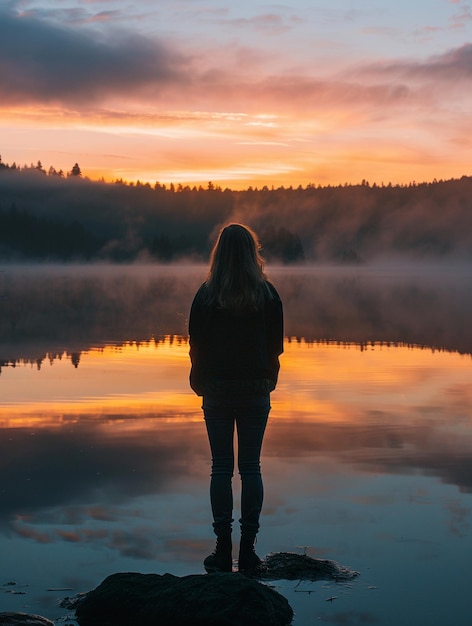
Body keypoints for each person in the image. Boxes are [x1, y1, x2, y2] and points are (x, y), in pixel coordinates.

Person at [188, 223, 284, 573]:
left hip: (216, 389)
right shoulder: (267, 295)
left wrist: (198, 380)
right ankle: (248, 550)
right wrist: (268, 379)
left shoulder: (206, 295)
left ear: (219, 253)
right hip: (255, 390)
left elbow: (195, 343)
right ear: (252, 252)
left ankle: (221, 547)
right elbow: (276, 345)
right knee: (251, 467)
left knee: (221, 468)